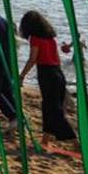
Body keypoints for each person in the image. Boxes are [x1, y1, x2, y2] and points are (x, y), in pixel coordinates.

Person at [18, 10, 76, 147]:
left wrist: (22, 75)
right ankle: (45, 140)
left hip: (47, 74)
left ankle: (75, 141)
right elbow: (57, 58)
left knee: (53, 109)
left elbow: (32, 59)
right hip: (57, 72)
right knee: (50, 107)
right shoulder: (50, 38)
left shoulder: (35, 38)